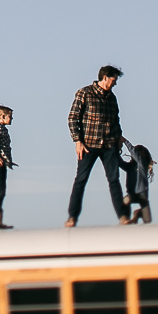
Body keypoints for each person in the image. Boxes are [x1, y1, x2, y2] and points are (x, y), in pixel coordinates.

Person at [66, 65, 130, 227]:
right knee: (81, 179)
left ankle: (123, 216)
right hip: (89, 145)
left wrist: (118, 140)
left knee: (114, 180)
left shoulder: (112, 98)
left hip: (109, 145)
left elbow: (116, 120)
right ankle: (72, 217)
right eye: (113, 80)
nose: (114, 84)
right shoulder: (85, 93)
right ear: (105, 77)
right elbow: (73, 118)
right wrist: (78, 141)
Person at [119, 142, 155, 223]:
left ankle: (138, 213)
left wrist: (125, 141)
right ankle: (127, 217)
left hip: (142, 195)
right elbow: (119, 162)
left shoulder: (143, 164)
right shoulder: (130, 166)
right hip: (132, 194)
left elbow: (135, 154)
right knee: (126, 201)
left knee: (147, 220)